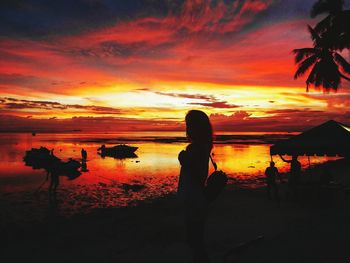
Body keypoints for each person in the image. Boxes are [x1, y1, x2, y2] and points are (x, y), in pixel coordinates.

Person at [178, 110, 213, 263]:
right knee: (195, 240)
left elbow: (198, 176)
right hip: (196, 199)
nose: (187, 128)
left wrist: (183, 159)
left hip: (194, 200)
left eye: (189, 124)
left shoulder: (197, 148)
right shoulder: (203, 146)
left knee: (195, 241)